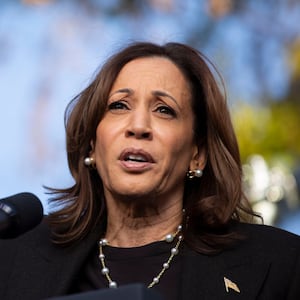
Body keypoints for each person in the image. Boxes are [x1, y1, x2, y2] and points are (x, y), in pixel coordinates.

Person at [0, 41, 300, 300]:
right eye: (119, 106)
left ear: (197, 155)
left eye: (164, 110)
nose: (139, 126)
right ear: (92, 145)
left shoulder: (280, 263)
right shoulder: (12, 257)